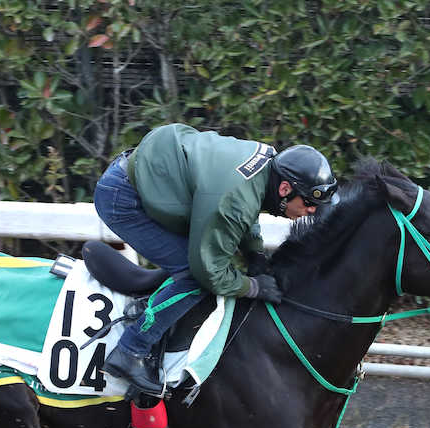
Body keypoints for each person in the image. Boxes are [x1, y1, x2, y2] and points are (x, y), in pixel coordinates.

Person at [93, 123, 340, 396]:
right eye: (308, 203)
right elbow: (208, 271)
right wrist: (252, 286)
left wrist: (255, 254)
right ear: (284, 189)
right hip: (123, 199)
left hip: (154, 176)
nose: (311, 211)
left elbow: (246, 211)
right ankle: (131, 350)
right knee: (193, 277)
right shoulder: (234, 197)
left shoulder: (267, 162)